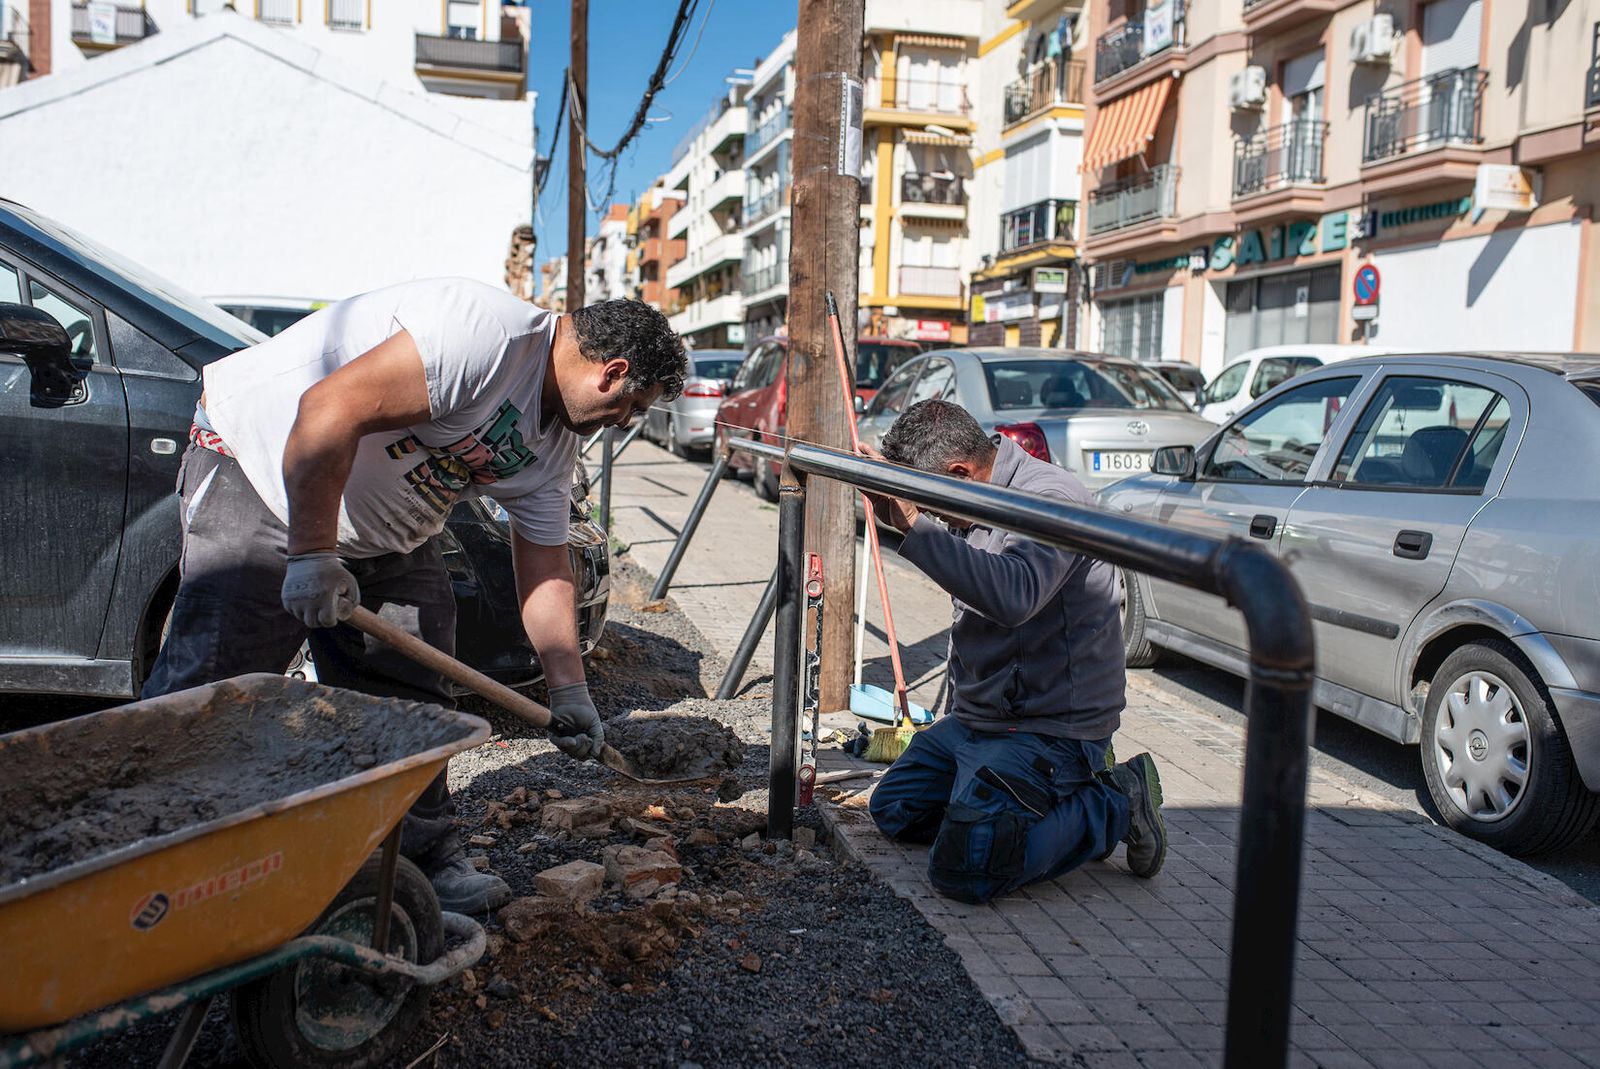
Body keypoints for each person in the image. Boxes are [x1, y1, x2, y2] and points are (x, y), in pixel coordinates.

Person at [143, 280, 686, 913]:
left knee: (414, 693)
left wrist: (569, 688)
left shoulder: (553, 446)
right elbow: (328, 409)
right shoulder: (487, 337)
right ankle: (142, 857)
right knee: (214, 683)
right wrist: (313, 554)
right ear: (612, 373)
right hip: (262, 480)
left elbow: (543, 563)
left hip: (391, 534)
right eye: (634, 407)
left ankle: (416, 861)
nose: (626, 423)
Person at [861, 400, 1167, 904]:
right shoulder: (971, 496)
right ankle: (1005, 802)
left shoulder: (1049, 498)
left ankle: (1114, 798)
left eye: (934, 500)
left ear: (959, 472)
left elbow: (1014, 595)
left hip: (1048, 725)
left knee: (967, 869)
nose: (936, 515)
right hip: (980, 722)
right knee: (897, 810)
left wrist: (917, 526)